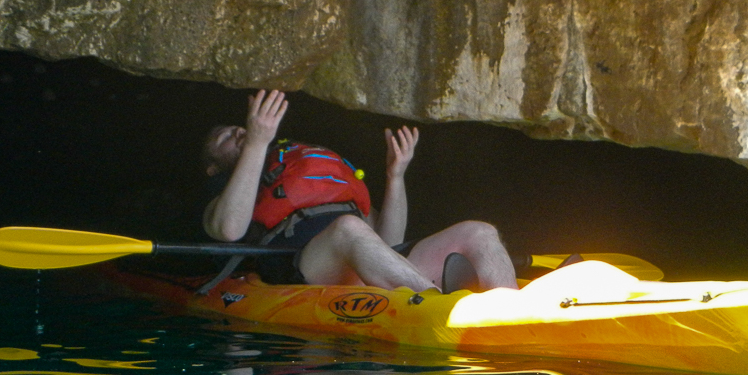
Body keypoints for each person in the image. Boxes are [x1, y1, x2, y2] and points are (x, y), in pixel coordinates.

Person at [201, 89, 518, 293]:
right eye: (225, 137)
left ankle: (511, 308)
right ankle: (435, 302)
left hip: (366, 264)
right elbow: (228, 229)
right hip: (307, 267)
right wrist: (257, 140)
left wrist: (396, 176)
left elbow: (388, 240)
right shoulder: (222, 194)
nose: (239, 131)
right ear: (213, 168)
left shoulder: (298, 168)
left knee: (480, 231)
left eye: (240, 128)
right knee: (348, 228)